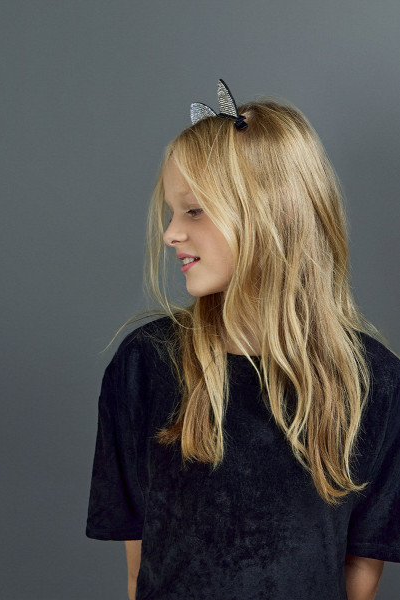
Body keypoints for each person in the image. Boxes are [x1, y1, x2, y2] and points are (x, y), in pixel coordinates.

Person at [85, 79, 400, 600]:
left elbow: (358, 575)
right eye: (171, 212)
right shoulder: (145, 364)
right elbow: (140, 573)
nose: (170, 233)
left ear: (271, 212)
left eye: (194, 210)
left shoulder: (373, 384)